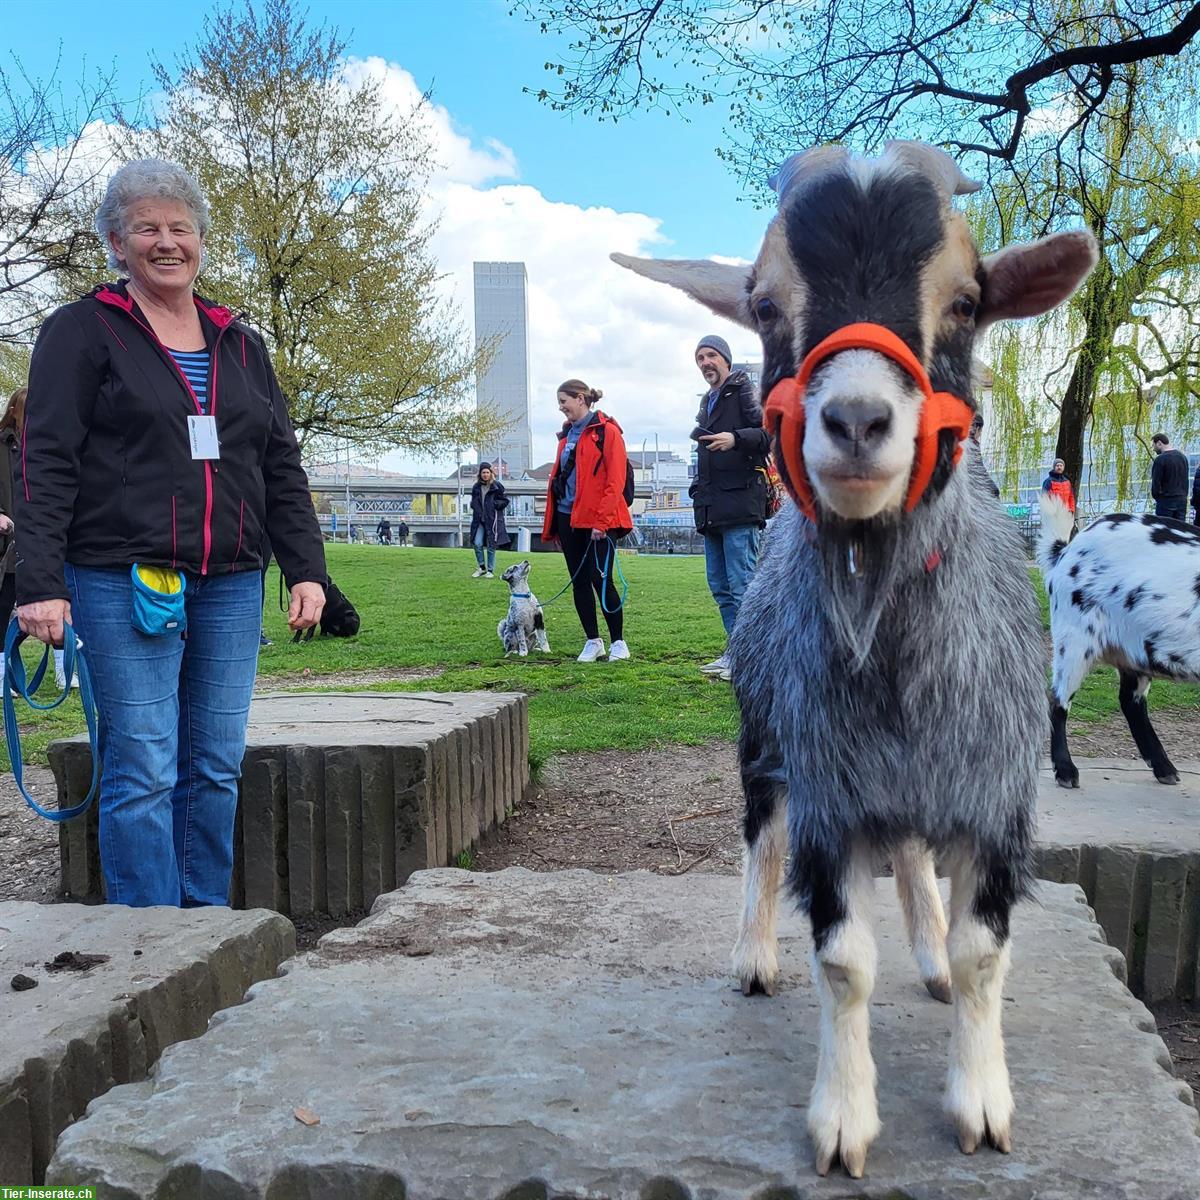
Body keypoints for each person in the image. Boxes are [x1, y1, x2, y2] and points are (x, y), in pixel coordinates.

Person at [15, 158, 327, 909]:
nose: (166, 241)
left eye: (179, 227)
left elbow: (278, 462)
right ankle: (150, 946)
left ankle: (205, 927)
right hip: (121, 578)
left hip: (230, 579)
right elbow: (45, 459)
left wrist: (307, 569)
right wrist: (39, 583)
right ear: (116, 244)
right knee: (145, 763)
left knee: (215, 763)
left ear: (200, 240)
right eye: (146, 227)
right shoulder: (82, 331)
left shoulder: (238, 341)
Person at [690, 335, 769, 678]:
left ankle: (755, 658)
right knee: (720, 586)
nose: (705, 362)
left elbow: (770, 434)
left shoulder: (746, 392)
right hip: (712, 507)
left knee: (743, 585)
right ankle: (737, 653)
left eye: (710, 355)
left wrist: (736, 438)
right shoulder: (708, 401)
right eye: (699, 358)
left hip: (739, 502)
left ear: (725, 358)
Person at [541, 379, 632, 662]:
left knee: (601, 579)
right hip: (568, 517)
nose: (561, 408)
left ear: (580, 399)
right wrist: (555, 524)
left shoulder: (608, 432)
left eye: (564, 402)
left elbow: (615, 480)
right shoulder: (566, 436)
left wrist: (602, 522)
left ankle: (618, 641)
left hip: (598, 521)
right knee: (579, 580)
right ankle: (593, 641)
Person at [469, 462, 511, 578]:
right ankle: (482, 567)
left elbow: (505, 500)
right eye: (483, 472)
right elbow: (473, 501)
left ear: (491, 473)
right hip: (479, 521)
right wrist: (475, 507)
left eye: (487, 472)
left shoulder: (497, 486)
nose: (485, 475)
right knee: (477, 543)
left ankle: (490, 570)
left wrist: (495, 504)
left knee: (491, 545)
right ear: (480, 474)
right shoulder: (476, 487)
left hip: (493, 520)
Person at [1150, 433, 1189, 521]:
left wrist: (1158, 498)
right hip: (1182, 500)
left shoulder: (1160, 459)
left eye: (1153, 445)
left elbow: (1156, 483)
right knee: (1180, 530)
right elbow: (1186, 481)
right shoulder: (1183, 457)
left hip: (1165, 501)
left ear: (1159, 443)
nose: (1153, 449)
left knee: (1164, 530)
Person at [968, 412, 1000, 498]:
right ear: (977, 428)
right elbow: (979, 470)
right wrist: (994, 489)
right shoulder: (972, 446)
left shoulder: (957, 442)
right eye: (980, 431)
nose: (980, 434)